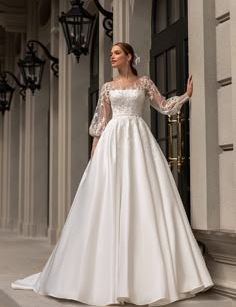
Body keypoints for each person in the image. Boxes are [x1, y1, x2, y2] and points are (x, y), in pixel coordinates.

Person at [12, 42, 214, 306]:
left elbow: (163, 106)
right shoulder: (107, 88)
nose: (112, 56)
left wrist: (186, 95)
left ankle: (150, 276)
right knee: (108, 200)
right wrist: (96, 154)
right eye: (111, 54)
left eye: (117, 53)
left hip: (138, 142)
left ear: (129, 57)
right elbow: (102, 122)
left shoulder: (144, 83)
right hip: (112, 144)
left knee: (142, 198)